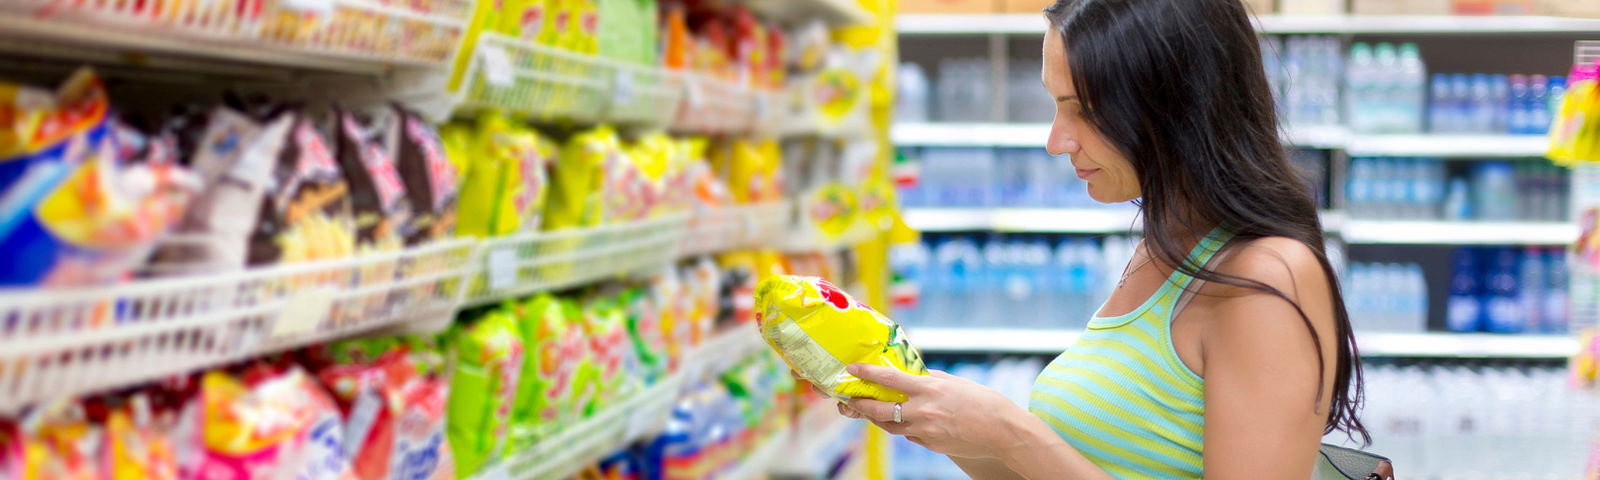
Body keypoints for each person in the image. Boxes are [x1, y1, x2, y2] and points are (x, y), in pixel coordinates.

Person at [823, 0, 1369, 478]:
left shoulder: (1266, 277)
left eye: (1082, 109)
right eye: (1055, 103)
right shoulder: (1162, 250)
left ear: (1174, 101)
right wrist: (948, 423)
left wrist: (1013, 431)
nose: (1056, 141)